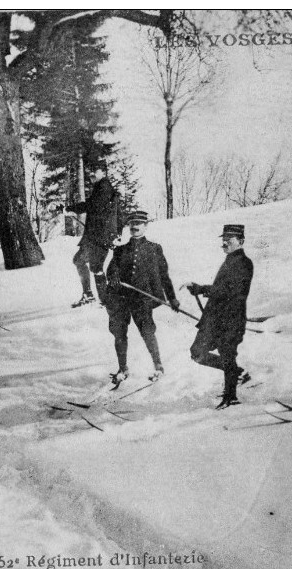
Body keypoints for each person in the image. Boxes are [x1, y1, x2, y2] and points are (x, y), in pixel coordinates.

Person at [104, 210, 178, 384]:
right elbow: (111, 269)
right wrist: (113, 276)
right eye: (132, 224)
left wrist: (172, 298)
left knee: (147, 332)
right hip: (121, 299)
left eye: (138, 223)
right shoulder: (120, 250)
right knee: (119, 333)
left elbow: (164, 275)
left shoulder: (154, 248)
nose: (135, 226)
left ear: (146, 226)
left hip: (142, 299)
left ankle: (158, 366)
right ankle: (123, 369)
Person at [187, 224, 254, 410]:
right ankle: (238, 373)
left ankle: (231, 397)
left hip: (231, 319)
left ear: (240, 241)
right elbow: (221, 289)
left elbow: (233, 290)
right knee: (197, 352)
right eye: (223, 238)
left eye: (229, 239)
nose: (224, 242)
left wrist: (203, 289)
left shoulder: (244, 263)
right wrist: (201, 289)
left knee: (227, 356)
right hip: (214, 320)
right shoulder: (229, 261)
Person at [71, 167, 122, 307]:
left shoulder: (104, 188)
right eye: (89, 171)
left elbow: (91, 205)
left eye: (95, 171)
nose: (91, 174)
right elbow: (119, 214)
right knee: (84, 262)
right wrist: (117, 234)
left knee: (91, 265)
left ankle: (103, 300)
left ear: (104, 173)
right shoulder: (103, 189)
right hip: (98, 237)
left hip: (99, 238)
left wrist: (69, 209)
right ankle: (93, 296)